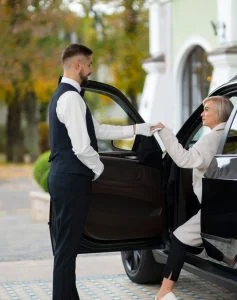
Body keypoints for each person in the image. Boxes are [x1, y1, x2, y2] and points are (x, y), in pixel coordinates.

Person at [48, 43, 152, 300]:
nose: (92, 69)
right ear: (77, 65)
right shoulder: (71, 98)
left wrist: (139, 129)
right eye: (90, 64)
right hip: (71, 179)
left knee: (67, 247)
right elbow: (82, 146)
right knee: (66, 248)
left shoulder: (68, 96)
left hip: (65, 177)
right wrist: (99, 168)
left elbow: (99, 130)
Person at [151, 96, 234, 300]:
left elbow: (184, 159)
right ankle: (232, 265)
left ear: (220, 114)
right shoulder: (233, 136)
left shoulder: (211, 138)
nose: (202, 113)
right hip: (232, 203)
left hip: (213, 208)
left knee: (180, 236)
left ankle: (163, 293)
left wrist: (164, 132)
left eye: (206, 109)